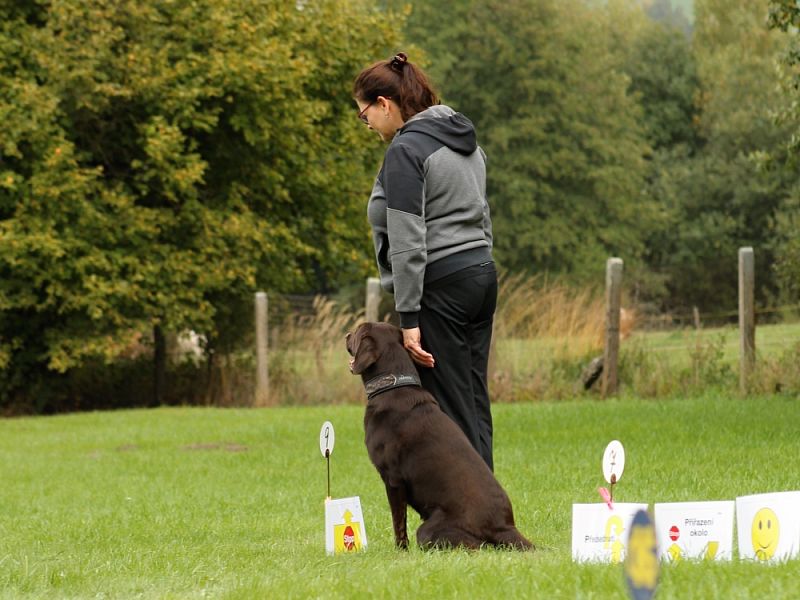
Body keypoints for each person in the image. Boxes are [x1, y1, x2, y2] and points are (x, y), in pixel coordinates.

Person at [353, 52, 498, 470]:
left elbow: (407, 237)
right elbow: (481, 211)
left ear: (384, 103)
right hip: (480, 276)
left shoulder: (406, 151)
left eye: (364, 116)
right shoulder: (463, 141)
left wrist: (409, 316)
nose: (367, 125)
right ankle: (487, 504)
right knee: (472, 396)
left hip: (440, 285)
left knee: (449, 407)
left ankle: (472, 514)